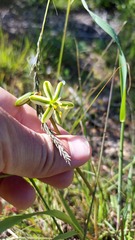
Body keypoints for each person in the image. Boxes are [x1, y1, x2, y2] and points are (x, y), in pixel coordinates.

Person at [0, 87, 91, 210]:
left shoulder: (50, 107)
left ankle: (92, 196)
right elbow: (42, 118)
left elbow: (44, 118)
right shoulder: (47, 107)